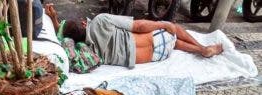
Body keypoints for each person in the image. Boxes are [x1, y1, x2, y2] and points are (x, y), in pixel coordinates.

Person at [45, 4, 223, 69]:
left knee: (173, 43)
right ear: (85, 23)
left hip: (156, 56)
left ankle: (200, 49)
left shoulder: (86, 50)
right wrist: (164, 24)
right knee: (174, 28)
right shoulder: (100, 21)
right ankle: (202, 48)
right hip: (159, 39)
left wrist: (54, 19)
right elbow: (139, 25)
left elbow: (60, 36)